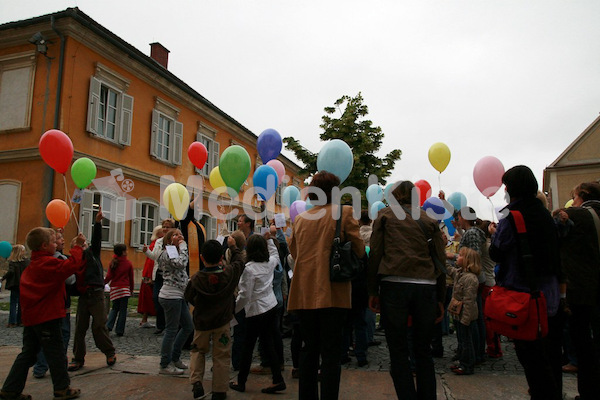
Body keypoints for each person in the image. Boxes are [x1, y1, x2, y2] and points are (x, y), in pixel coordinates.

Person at [287, 171, 365, 400]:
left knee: (309, 349)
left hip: (304, 294)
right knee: (331, 353)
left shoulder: (300, 219)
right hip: (333, 292)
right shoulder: (344, 212)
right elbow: (359, 250)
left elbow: (294, 252)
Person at [489, 165, 562, 400]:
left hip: (523, 294)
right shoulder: (544, 214)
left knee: (530, 356)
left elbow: (497, 251)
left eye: (507, 185)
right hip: (548, 293)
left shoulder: (512, 215)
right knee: (549, 355)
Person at [367, 180, 445, 400]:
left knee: (398, 349)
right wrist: (440, 297)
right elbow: (439, 260)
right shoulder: (429, 219)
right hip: (426, 286)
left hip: (394, 285)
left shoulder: (384, 216)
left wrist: (372, 290)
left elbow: (375, 255)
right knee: (423, 350)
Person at [0, 228, 86, 400]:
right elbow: (70, 266)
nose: (56, 244)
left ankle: (10, 389)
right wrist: (77, 247)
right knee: (56, 354)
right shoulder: (47, 264)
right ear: (45, 246)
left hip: (33, 318)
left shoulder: (33, 265)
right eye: (54, 242)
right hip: (47, 317)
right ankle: (62, 388)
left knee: (28, 353)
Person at [554, 181, 600, 399]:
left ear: (583, 195)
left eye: (575, 197)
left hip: (583, 289)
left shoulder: (579, 215)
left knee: (583, 343)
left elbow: (555, 217)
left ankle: (589, 391)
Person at [184, 237, 245, 400]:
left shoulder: (196, 278)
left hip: (202, 323)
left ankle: (197, 382)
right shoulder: (229, 274)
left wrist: (200, 304)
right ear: (221, 258)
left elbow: (188, 296)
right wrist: (233, 247)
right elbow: (240, 262)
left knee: (197, 351)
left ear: (202, 257)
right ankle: (219, 389)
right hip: (222, 322)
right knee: (222, 355)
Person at [229, 232, 286, 394]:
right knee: (268, 343)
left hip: (256, 311)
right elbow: (275, 253)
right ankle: (277, 379)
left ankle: (241, 381)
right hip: (270, 306)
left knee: (248, 346)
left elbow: (244, 295)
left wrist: (234, 311)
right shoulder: (269, 263)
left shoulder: (249, 269)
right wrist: (269, 239)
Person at [68, 209, 116, 372]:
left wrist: (97, 222)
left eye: (85, 244)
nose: (85, 246)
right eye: (82, 244)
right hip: (83, 295)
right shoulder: (74, 259)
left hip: (96, 294)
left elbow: (96, 241)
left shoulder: (92, 254)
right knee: (80, 328)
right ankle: (78, 358)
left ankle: (109, 351)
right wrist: (77, 246)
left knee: (99, 326)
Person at [33, 231, 77, 379]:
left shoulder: (36, 260)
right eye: (56, 239)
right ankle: (58, 371)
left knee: (40, 341)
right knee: (60, 338)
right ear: (45, 245)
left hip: (44, 307)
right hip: (58, 306)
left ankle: (41, 368)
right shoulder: (56, 261)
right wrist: (76, 250)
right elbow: (70, 278)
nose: (62, 240)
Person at [157, 228, 194, 375]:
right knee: (171, 330)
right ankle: (165, 364)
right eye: (175, 234)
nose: (180, 236)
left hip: (178, 295)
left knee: (188, 326)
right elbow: (181, 264)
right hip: (171, 296)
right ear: (168, 240)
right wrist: (184, 247)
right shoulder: (170, 251)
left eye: (180, 234)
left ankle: (175, 357)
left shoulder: (173, 252)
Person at [447, 247, 481, 375]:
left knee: (467, 341)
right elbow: (449, 270)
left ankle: (467, 365)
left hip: (465, 316)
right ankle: (462, 361)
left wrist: (465, 319)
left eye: (460, 255)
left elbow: (469, 302)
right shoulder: (460, 273)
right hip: (458, 315)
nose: (457, 257)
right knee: (462, 340)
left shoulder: (470, 279)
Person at [144, 218, 176, 335]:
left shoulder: (175, 241)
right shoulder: (159, 241)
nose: (165, 229)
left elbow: (175, 259)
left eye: (168, 227)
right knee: (156, 298)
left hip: (170, 274)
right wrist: (146, 251)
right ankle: (160, 324)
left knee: (168, 300)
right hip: (158, 273)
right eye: (164, 227)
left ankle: (169, 324)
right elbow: (155, 257)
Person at [104, 244, 134, 337]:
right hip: (124, 288)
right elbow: (131, 278)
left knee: (114, 308)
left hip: (115, 288)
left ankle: (109, 325)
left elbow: (109, 276)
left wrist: (103, 283)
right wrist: (131, 289)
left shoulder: (113, 262)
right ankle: (120, 330)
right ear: (124, 252)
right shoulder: (128, 263)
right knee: (123, 310)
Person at [138, 226, 161, 328]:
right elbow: (152, 262)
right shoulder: (156, 244)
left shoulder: (154, 244)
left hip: (149, 274)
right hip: (151, 275)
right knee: (150, 299)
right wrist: (150, 276)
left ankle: (145, 319)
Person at [2, 245, 29, 327]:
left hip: (14, 284)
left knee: (13, 303)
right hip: (23, 284)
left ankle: (12, 321)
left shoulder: (13, 262)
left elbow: (11, 272)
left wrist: (3, 278)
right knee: (21, 303)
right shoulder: (26, 262)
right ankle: (20, 321)